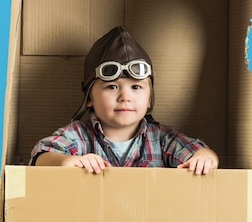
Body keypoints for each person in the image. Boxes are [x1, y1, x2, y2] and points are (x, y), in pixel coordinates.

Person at [30, 26, 219, 175]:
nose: (125, 97)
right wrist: (66, 162)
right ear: (89, 98)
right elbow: (41, 156)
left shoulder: (161, 139)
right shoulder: (78, 135)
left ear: (149, 99)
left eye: (136, 87)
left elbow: (200, 151)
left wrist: (204, 159)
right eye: (112, 87)